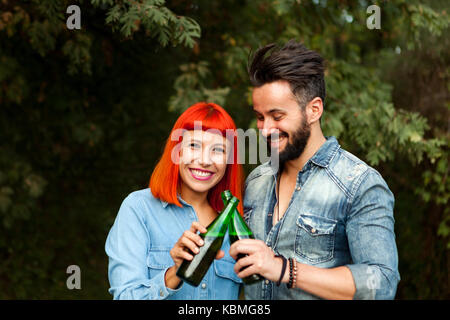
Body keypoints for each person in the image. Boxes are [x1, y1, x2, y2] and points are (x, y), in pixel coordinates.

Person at [229, 40, 400, 300]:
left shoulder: (360, 184)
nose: (264, 129)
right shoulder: (256, 180)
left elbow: (382, 282)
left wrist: (284, 269)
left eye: (277, 116)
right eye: (260, 117)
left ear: (314, 110)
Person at [106, 102, 244, 299]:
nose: (205, 160)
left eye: (218, 150)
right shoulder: (139, 209)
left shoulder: (238, 221)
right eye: (194, 146)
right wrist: (176, 271)